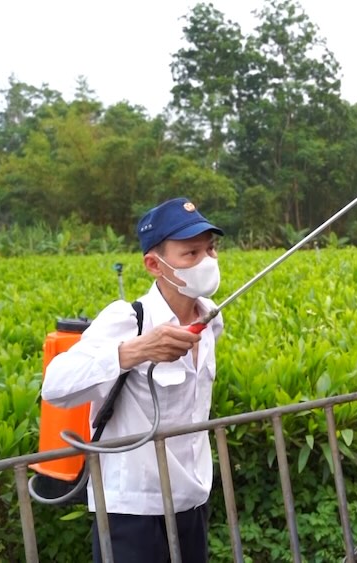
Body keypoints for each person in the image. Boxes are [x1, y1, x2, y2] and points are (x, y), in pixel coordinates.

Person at [42, 197, 226, 563]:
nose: (207, 262)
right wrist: (135, 351)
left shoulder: (211, 321)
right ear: (154, 265)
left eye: (211, 249)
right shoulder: (128, 319)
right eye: (191, 254)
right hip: (133, 508)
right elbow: (55, 386)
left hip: (192, 498)